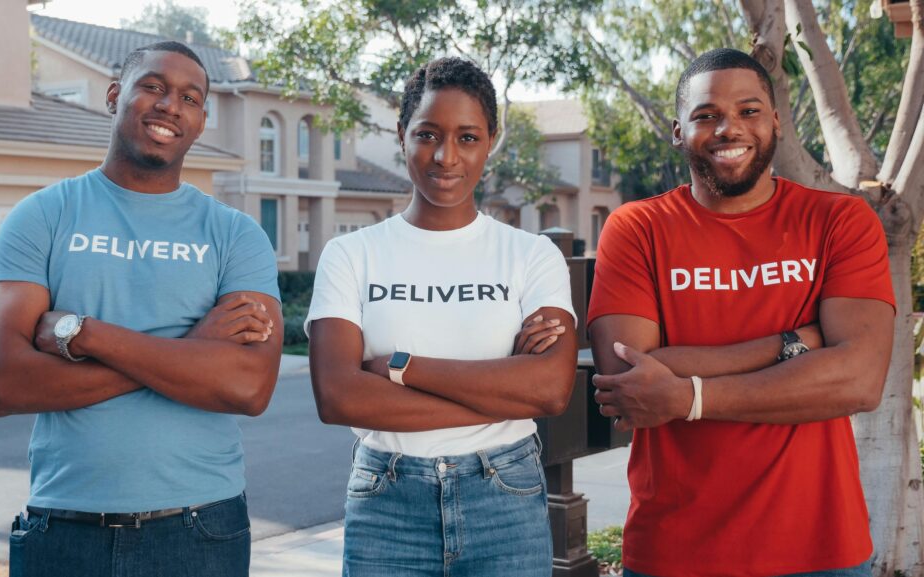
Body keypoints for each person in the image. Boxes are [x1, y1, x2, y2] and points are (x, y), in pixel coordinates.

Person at [0, 41, 283, 577]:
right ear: (115, 96)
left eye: (190, 97)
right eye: (154, 87)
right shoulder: (43, 216)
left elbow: (248, 388)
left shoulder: (236, 236)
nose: (171, 106)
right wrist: (190, 351)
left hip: (200, 528)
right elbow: (4, 385)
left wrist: (86, 335)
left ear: (201, 120)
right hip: (65, 526)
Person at [587, 48, 894, 577]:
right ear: (679, 131)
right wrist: (794, 343)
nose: (729, 128)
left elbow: (859, 381)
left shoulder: (840, 221)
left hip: (822, 552)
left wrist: (686, 396)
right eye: (706, 115)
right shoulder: (638, 227)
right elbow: (628, 383)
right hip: (675, 552)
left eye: (749, 110)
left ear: (775, 121)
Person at [306, 56, 578, 577]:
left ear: (491, 139)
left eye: (468, 138)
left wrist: (403, 367)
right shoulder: (352, 255)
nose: (446, 156)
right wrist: (503, 396)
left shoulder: (531, 255)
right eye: (428, 134)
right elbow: (338, 396)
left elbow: (549, 390)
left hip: (505, 495)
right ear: (402, 133)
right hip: (386, 499)